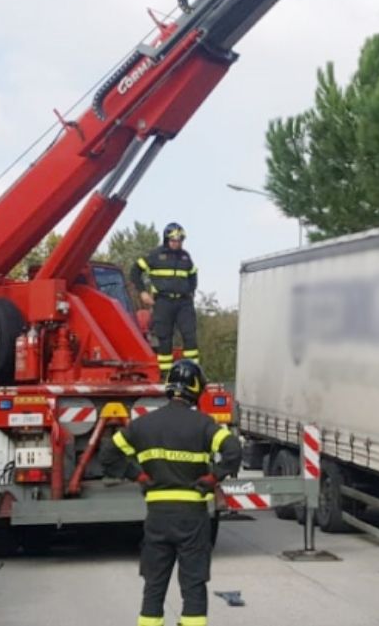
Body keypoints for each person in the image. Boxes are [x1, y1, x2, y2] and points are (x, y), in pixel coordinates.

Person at [100, 360, 242, 626]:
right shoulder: (204, 424)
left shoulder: (143, 425)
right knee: (193, 584)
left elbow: (108, 455)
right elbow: (234, 450)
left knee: (154, 584)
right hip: (193, 518)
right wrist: (213, 477)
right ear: (196, 388)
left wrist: (138, 475)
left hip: (158, 517)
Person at [130, 222, 200, 375]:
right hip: (163, 302)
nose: (177, 243)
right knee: (165, 338)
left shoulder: (185, 256)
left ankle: (193, 373)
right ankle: (166, 375)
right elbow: (135, 271)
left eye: (180, 240)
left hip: (184, 303)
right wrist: (142, 292)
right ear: (167, 239)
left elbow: (193, 274)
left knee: (190, 336)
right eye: (174, 240)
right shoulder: (155, 255)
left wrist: (191, 292)